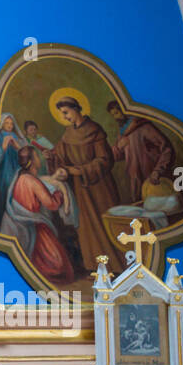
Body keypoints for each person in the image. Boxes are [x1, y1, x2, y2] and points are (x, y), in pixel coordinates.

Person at [49, 97, 123, 273]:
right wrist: (51, 158)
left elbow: (105, 160)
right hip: (81, 190)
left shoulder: (94, 131)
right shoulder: (67, 135)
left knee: (105, 224)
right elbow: (60, 157)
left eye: (66, 112)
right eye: (62, 114)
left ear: (76, 109)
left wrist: (78, 170)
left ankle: (117, 266)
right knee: (87, 227)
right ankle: (96, 267)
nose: (65, 117)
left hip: (100, 187)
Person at [0, 147, 77, 284]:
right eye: (36, 156)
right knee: (60, 267)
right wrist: (59, 191)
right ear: (31, 162)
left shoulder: (20, 176)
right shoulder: (32, 181)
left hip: (22, 223)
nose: (39, 158)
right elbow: (52, 204)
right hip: (31, 226)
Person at [107, 101, 175, 198]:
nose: (115, 118)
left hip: (155, 178)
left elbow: (167, 148)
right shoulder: (122, 134)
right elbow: (116, 157)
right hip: (136, 181)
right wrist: (118, 147)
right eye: (113, 115)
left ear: (124, 110)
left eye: (116, 113)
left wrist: (158, 171)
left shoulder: (143, 127)